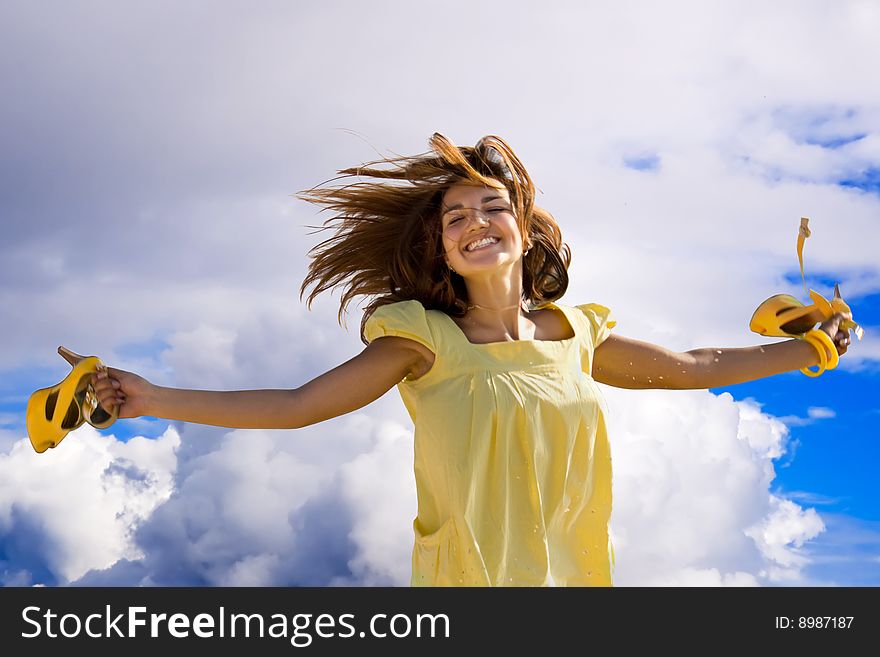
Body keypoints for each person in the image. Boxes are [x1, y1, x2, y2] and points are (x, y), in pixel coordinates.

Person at [82, 133, 852, 586]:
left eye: (491, 207)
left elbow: (691, 364)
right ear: (442, 248)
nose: (475, 223)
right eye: (455, 216)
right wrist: (154, 397)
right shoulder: (423, 339)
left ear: (522, 226)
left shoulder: (574, 333)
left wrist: (807, 349)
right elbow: (297, 405)